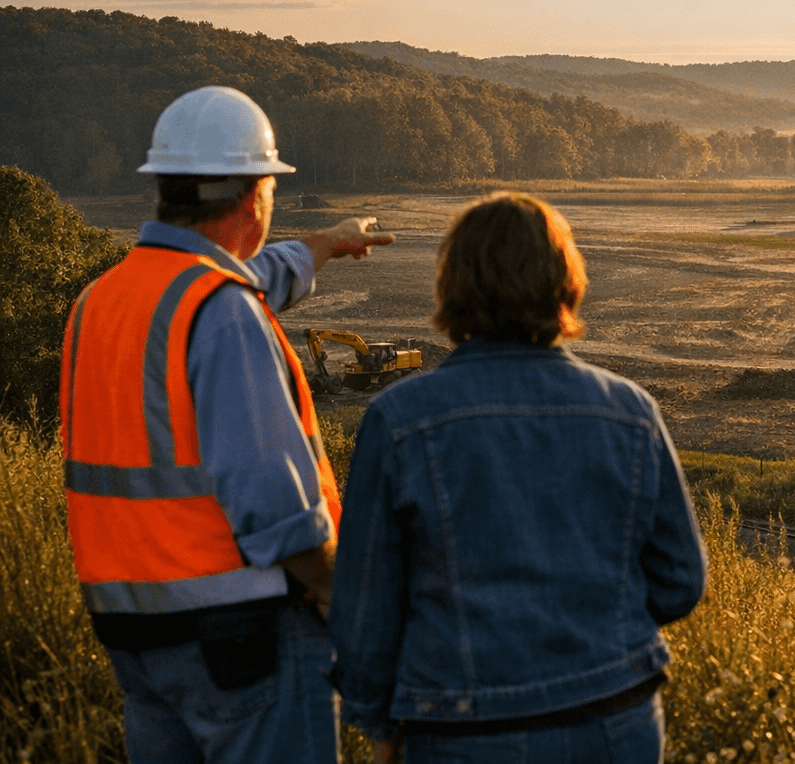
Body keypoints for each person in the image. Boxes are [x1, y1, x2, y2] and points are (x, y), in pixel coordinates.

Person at [60, 85, 395, 763]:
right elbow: (276, 507)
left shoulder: (103, 300)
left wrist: (323, 247)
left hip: (137, 637)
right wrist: (341, 595)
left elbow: (239, 280)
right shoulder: (221, 313)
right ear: (256, 194)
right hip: (244, 639)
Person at [329, 193, 707, 764]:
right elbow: (680, 580)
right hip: (612, 716)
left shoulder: (400, 420)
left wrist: (377, 725)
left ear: (452, 285)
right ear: (566, 281)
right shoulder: (630, 411)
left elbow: (365, 608)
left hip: (461, 729)